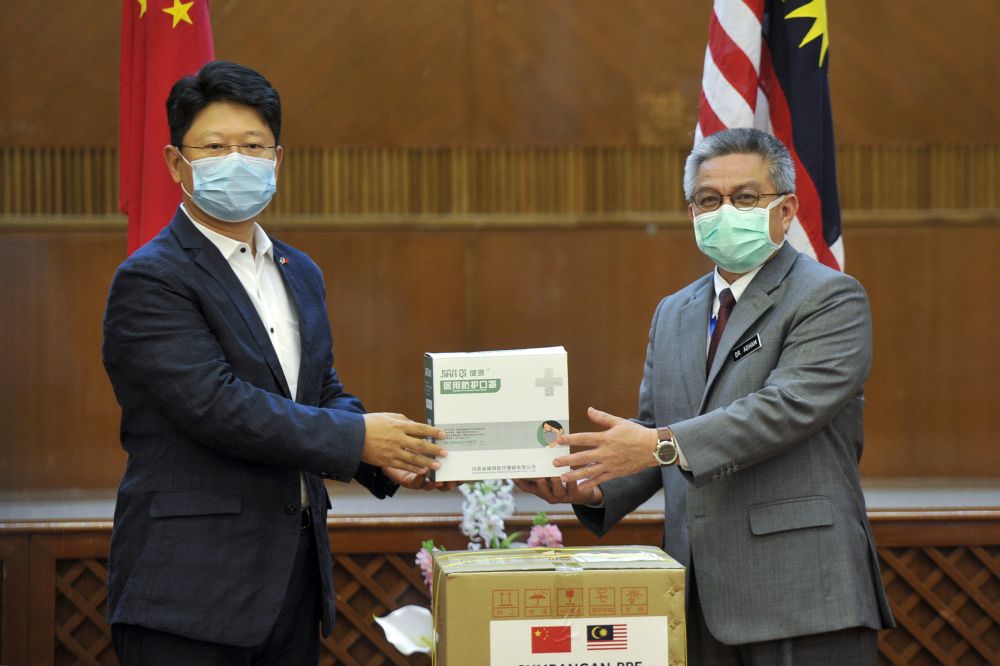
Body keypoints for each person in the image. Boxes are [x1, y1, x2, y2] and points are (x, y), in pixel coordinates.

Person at [102, 60, 450, 665]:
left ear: (277, 161)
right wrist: (361, 439)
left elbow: (321, 391)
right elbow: (217, 406)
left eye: (253, 146)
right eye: (214, 146)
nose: (235, 159)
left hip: (289, 586)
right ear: (174, 163)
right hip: (188, 595)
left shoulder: (300, 272)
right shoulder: (151, 279)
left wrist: (391, 459)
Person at [516, 127, 894, 664]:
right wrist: (587, 485)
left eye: (744, 198)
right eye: (708, 200)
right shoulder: (675, 311)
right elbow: (653, 434)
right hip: (696, 595)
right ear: (691, 212)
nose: (724, 211)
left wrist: (658, 445)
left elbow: (785, 409)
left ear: (785, 211)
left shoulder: (830, 297)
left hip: (804, 593)